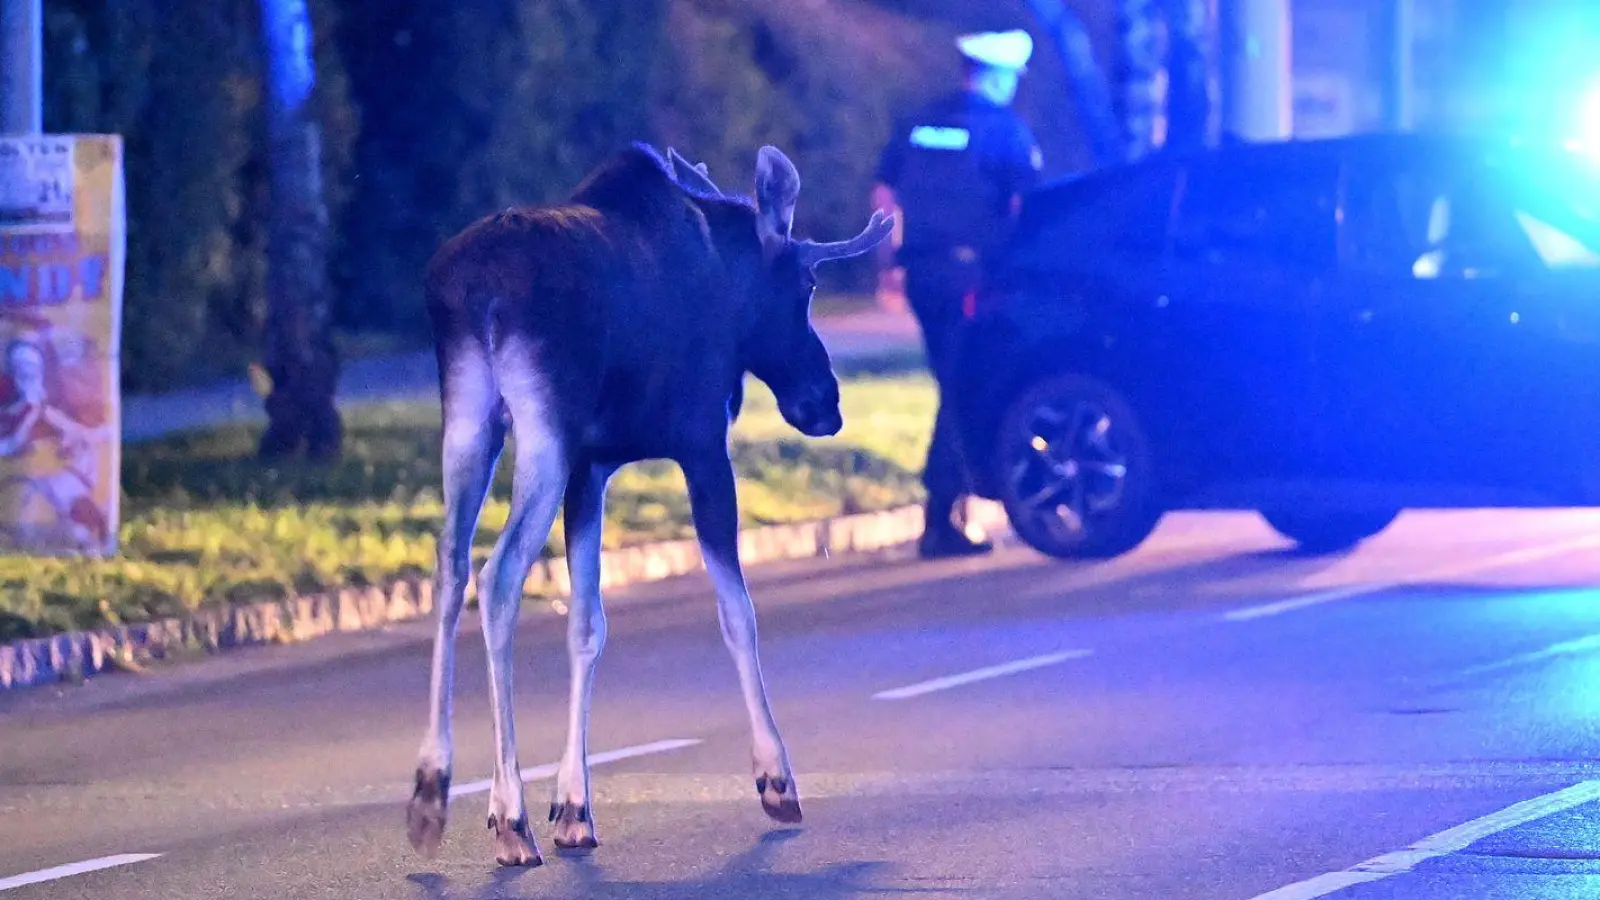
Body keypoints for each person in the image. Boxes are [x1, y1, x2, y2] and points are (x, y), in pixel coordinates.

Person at [871, 28, 1044, 559]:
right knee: (965, 388)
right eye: (1010, 78)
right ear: (993, 76)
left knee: (953, 381)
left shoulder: (921, 122)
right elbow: (1026, 209)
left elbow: (883, 195)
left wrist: (887, 266)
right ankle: (941, 516)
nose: (1013, 88)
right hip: (975, 279)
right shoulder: (1006, 131)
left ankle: (948, 511)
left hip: (923, 275)